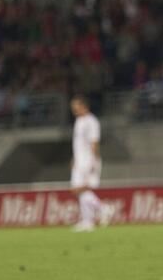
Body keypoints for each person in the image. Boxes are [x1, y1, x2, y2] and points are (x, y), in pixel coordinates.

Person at [70, 95, 104, 231]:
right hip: (79, 159)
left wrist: (94, 161)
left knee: (78, 189)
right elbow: (78, 143)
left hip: (87, 159)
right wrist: (74, 159)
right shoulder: (79, 121)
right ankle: (87, 221)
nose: (74, 110)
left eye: (76, 107)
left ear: (84, 106)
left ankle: (103, 208)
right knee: (79, 191)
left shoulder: (92, 121)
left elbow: (94, 142)